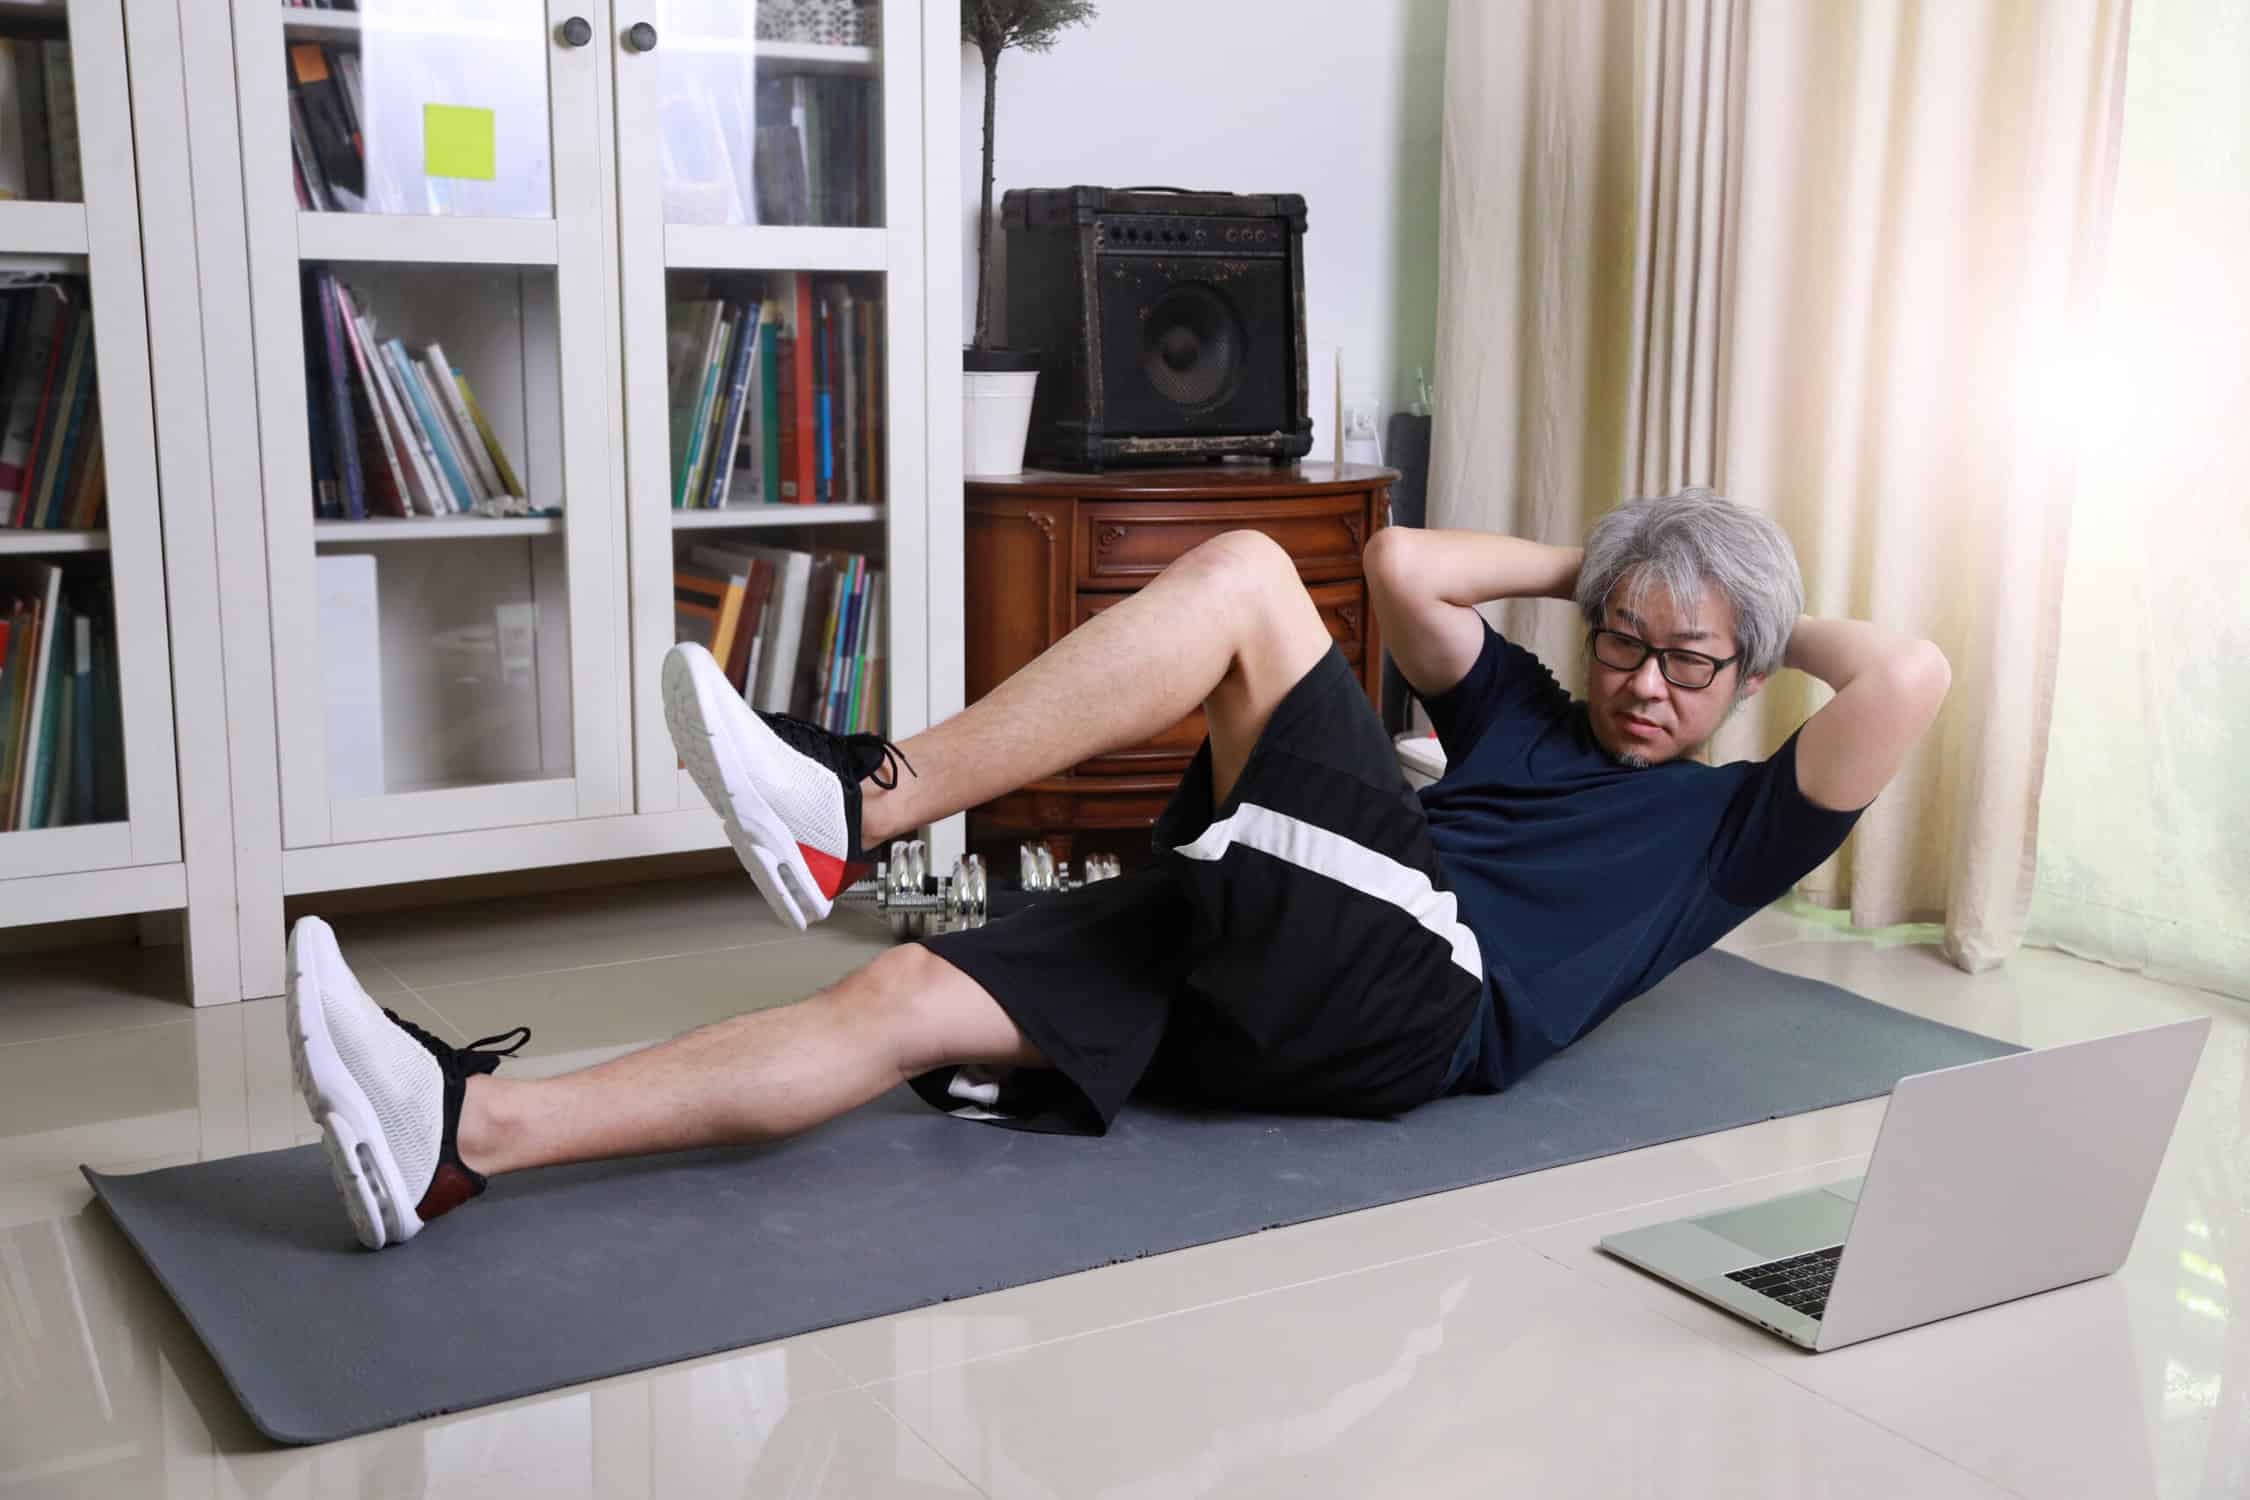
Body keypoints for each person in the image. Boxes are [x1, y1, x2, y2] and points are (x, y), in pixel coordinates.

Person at [287, 487, 1951, 1248]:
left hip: (1413, 1002)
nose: (1643, 685)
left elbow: (1909, 679)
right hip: (1290, 944)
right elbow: (1404, 563)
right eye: (1623, 646)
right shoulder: (1520, 706)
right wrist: (1625, 558)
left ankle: (860, 804)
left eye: (1687, 667)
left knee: (1240, 573)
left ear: (1746, 682)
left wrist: (1741, 587)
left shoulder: (1730, 827)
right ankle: (469, 1137)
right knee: (901, 991)